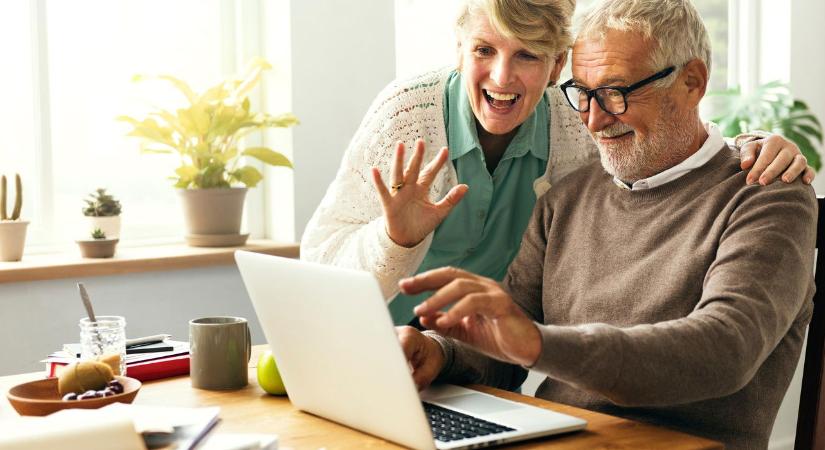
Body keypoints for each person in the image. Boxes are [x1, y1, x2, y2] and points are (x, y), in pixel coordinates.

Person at [395, 1, 817, 448]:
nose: (594, 120)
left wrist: (538, 343)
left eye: (616, 92)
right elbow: (506, 342)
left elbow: (725, 349)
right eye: (584, 92)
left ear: (692, 82)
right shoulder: (565, 198)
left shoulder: (767, 193)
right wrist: (439, 352)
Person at [300, 0, 814, 327]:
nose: (502, 78)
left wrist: (755, 143)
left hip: (483, 360)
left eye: (527, 55)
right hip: (378, 346)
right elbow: (318, 266)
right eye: (484, 49)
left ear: (556, 65)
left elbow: (664, 127)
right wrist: (395, 241)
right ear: (458, 50)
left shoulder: (578, 116)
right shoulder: (407, 116)